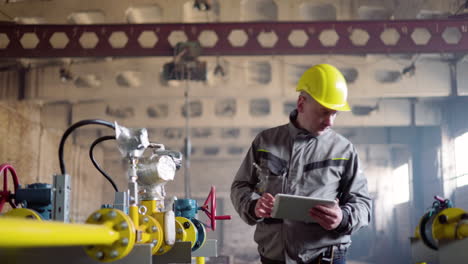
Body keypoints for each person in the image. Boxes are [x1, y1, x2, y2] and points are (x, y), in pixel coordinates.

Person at [230, 64, 372, 264]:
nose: (330, 121)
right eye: (324, 111)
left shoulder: (343, 151)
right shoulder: (265, 142)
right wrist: (254, 206)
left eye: (335, 113)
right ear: (301, 103)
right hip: (274, 257)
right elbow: (240, 186)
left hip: (325, 258)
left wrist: (343, 218)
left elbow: (363, 204)